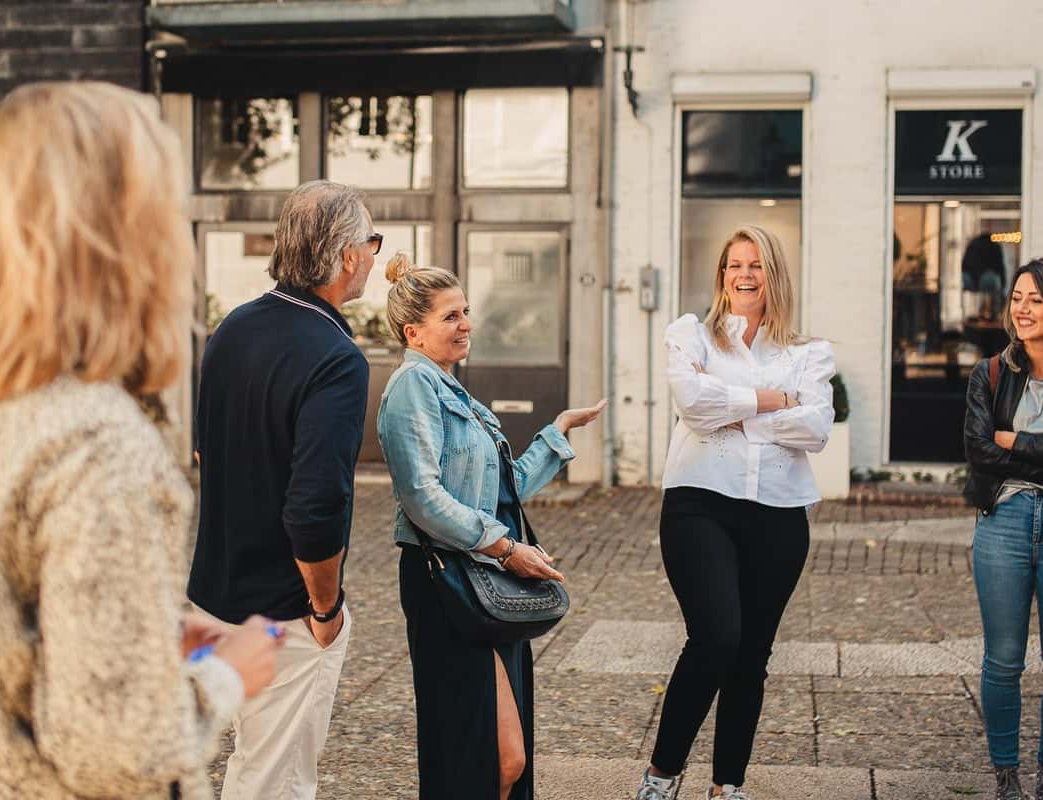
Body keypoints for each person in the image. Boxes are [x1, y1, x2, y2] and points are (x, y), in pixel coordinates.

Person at [0, 81, 281, 799]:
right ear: (126, 238)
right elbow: (117, 748)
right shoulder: (97, 444)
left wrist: (139, 627)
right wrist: (228, 676)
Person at [376, 254, 605, 800]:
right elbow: (423, 498)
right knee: (485, 755)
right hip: (447, 584)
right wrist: (505, 549)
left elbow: (501, 491)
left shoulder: (455, 392)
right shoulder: (414, 387)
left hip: (482, 585)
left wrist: (556, 435)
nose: (466, 325)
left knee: (503, 759)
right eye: (451, 316)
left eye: (466, 312)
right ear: (415, 331)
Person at [186, 179, 377, 799]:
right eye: (372, 241)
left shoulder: (231, 328)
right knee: (275, 783)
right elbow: (316, 507)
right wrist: (324, 608)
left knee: (244, 766)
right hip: (283, 613)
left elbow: (202, 451)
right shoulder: (337, 356)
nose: (376, 253)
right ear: (348, 256)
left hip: (213, 596)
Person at [634, 226, 835, 800]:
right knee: (717, 636)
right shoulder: (691, 336)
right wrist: (774, 400)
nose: (744, 275)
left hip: (778, 513)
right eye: (733, 266)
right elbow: (694, 407)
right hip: (700, 502)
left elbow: (817, 428)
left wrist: (732, 406)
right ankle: (663, 774)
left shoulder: (808, 351)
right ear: (722, 275)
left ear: (775, 275)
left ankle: (728, 787)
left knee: (752, 656)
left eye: (757, 265)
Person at [964, 258, 1043, 800]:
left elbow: (1001, 446)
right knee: (1003, 657)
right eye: (1017, 298)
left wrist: (1015, 441)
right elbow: (979, 451)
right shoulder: (991, 373)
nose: (1022, 309)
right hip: (1004, 521)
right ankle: (1007, 775)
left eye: (1036, 299)